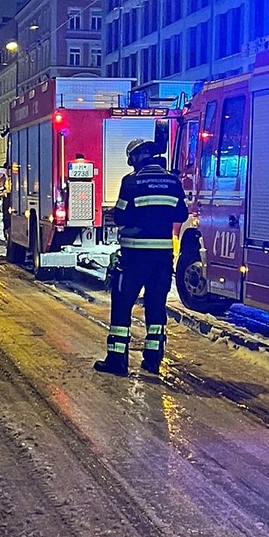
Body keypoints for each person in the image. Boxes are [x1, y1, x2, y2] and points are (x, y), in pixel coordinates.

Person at [95, 139, 189, 377]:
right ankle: (152, 360)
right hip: (163, 257)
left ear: (135, 159)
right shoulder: (173, 181)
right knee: (156, 306)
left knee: (122, 304)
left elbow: (120, 217)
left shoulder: (131, 182)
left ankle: (117, 361)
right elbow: (181, 213)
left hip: (134, 256)